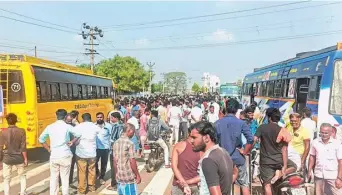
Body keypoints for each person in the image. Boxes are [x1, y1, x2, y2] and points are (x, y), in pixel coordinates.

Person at [254, 108, 296, 195]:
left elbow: (254, 140)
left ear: (269, 118)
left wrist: (248, 150)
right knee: (293, 166)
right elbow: (285, 149)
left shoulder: (262, 128)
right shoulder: (283, 130)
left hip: (266, 162)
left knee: (267, 185)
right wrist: (284, 166)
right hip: (279, 160)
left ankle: (279, 173)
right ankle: (279, 173)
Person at [215, 98, 253, 195]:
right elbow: (251, 139)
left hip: (222, 160)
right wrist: (244, 151)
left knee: (222, 187)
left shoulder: (217, 123)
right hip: (238, 158)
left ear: (225, 108)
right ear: (237, 110)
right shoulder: (241, 123)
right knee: (244, 185)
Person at [39, 109, 79, 195]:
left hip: (54, 155)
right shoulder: (67, 127)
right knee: (65, 178)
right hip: (65, 154)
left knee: (54, 178)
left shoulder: (50, 127)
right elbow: (78, 134)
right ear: (65, 117)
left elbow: (41, 139)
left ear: (56, 116)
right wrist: (72, 141)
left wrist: (48, 149)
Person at [189, 121, 234, 195]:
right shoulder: (223, 152)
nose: (191, 141)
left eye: (194, 137)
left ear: (206, 138)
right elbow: (235, 172)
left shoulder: (208, 160)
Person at [308, 123, 342, 195]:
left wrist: (339, 178)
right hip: (319, 175)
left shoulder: (337, 144)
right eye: (322, 133)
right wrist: (309, 171)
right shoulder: (315, 142)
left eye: (326, 133)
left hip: (333, 176)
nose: (324, 135)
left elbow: (340, 162)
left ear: (331, 132)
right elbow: (312, 157)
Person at [73, 113, 101, 194]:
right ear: (90, 118)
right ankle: (91, 187)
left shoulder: (78, 126)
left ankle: (82, 189)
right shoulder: (95, 127)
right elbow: (99, 132)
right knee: (92, 170)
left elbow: (74, 135)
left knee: (82, 172)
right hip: (92, 153)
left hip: (81, 153)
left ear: (82, 119)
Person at [0, 113, 28, 195]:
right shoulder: (21, 131)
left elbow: (1, 146)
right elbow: (23, 147)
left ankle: (7, 193)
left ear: (7, 121)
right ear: (16, 121)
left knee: (6, 178)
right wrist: (25, 159)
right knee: (22, 176)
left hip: (7, 158)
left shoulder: (3, 132)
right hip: (19, 157)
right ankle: (23, 192)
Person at [113, 123, 141, 195]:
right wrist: (137, 175)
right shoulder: (130, 143)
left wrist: (116, 173)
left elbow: (114, 161)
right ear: (129, 131)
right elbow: (132, 161)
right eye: (133, 132)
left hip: (120, 176)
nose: (133, 134)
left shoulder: (116, 142)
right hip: (128, 176)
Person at [171, 129, 201, 195]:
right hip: (194, 185)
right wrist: (187, 182)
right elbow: (203, 175)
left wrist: (184, 183)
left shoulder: (179, 145)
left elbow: (174, 167)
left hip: (178, 185)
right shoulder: (201, 149)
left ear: (188, 134)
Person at [107, 112, 124, 191]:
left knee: (114, 168)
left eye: (112, 117)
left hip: (114, 150)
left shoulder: (116, 126)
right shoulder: (123, 125)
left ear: (116, 118)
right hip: (121, 150)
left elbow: (113, 139)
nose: (111, 119)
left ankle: (114, 185)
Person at [95, 112, 112, 184]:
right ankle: (97, 173)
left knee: (104, 163)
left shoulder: (108, 126)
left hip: (105, 148)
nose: (99, 118)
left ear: (103, 117)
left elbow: (111, 136)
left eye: (100, 117)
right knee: (94, 163)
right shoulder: (93, 125)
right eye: (98, 117)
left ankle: (102, 177)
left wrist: (111, 146)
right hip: (95, 148)